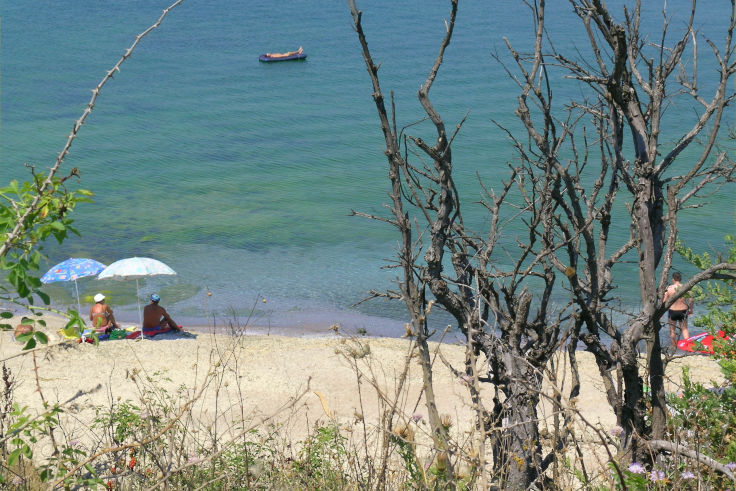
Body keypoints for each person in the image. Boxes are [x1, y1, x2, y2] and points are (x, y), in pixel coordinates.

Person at [663, 272, 694, 348]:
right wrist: (690, 309)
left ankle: (674, 347)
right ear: (680, 279)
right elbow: (691, 300)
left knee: (672, 330)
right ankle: (688, 346)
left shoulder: (669, 289)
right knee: (684, 329)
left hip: (672, 311)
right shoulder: (686, 288)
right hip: (683, 310)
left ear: (673, 279)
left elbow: (663, 301)